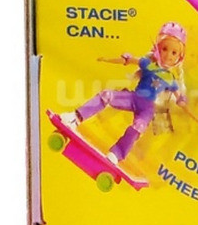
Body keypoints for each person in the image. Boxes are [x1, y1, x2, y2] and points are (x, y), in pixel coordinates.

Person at [58, 21, 188, 163]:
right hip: (133, 98)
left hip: (147, 108)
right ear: (157, 48)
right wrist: (109, 59)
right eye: (164, 49)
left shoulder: (170, 78)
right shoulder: (147, 64)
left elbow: (178, 95)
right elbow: (129, 60)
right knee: (106, 95)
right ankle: (76, 117)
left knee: (139, 127)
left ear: (179, 58)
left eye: (174, 53)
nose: (168, 55)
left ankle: (117, 153)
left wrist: (182, 101)